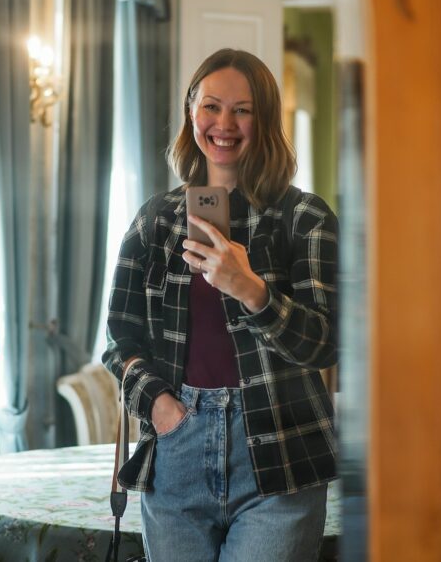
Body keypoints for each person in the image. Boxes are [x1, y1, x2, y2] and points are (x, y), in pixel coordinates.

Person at [103, 48, 338, 561]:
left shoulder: (306, 218)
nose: (224, 124)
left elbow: (324, 345)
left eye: (243, 110)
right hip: (177, 449)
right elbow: (119, 340)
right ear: (192, 113)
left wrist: (249, 288)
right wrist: (163, 408)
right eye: (211, 106)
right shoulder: (156, 222)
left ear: (265, 120)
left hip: (281, 452)